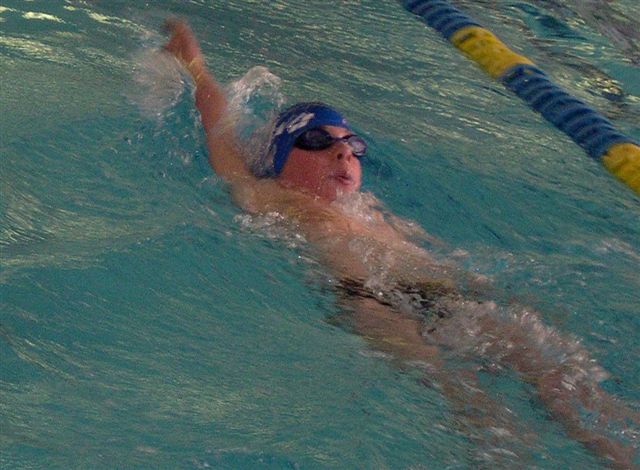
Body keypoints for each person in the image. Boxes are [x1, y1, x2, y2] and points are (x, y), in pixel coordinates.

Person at [163, 20, 637, 468]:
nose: (343, 151)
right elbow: (220, 132)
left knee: (559, 373)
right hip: (366, 300)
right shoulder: (268, 195)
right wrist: (195, 64)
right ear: (281, 159)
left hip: (444, 299)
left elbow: (444, 262)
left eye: (351, 145)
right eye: (318, 140)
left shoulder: (376, 212)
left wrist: (499, 296)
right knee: (467, 397)